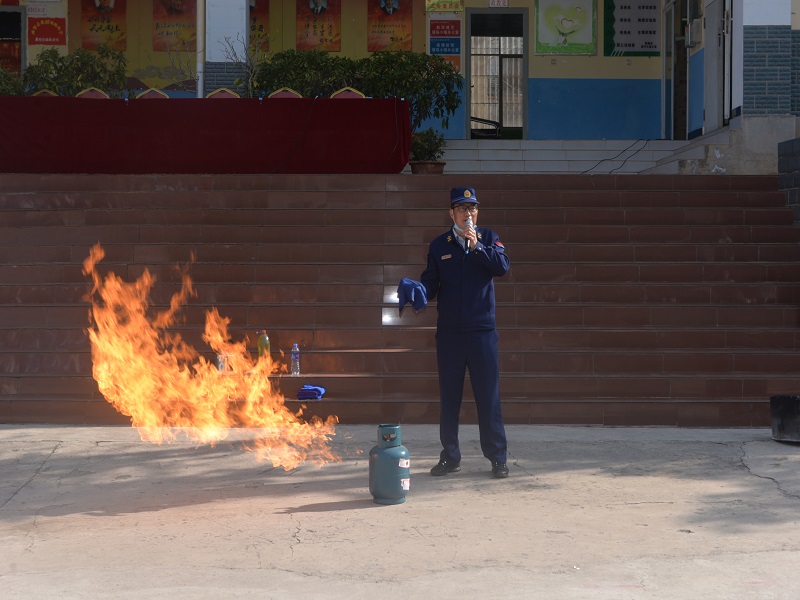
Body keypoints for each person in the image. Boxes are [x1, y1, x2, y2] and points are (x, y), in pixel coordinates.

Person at [398, 186, 510, 478]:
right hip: (450, 334)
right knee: (450, 398)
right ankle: (450, 456)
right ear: (452, 213)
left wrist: (478, 246)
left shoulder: (488, 237)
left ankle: (498, 458)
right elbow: (431, 283)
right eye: (462, 208)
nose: (468, 213)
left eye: (472, 208)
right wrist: (419, 290)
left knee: (488, 397)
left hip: (482, 332)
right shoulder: (439, 245)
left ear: (477, 212)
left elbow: (502, 267)